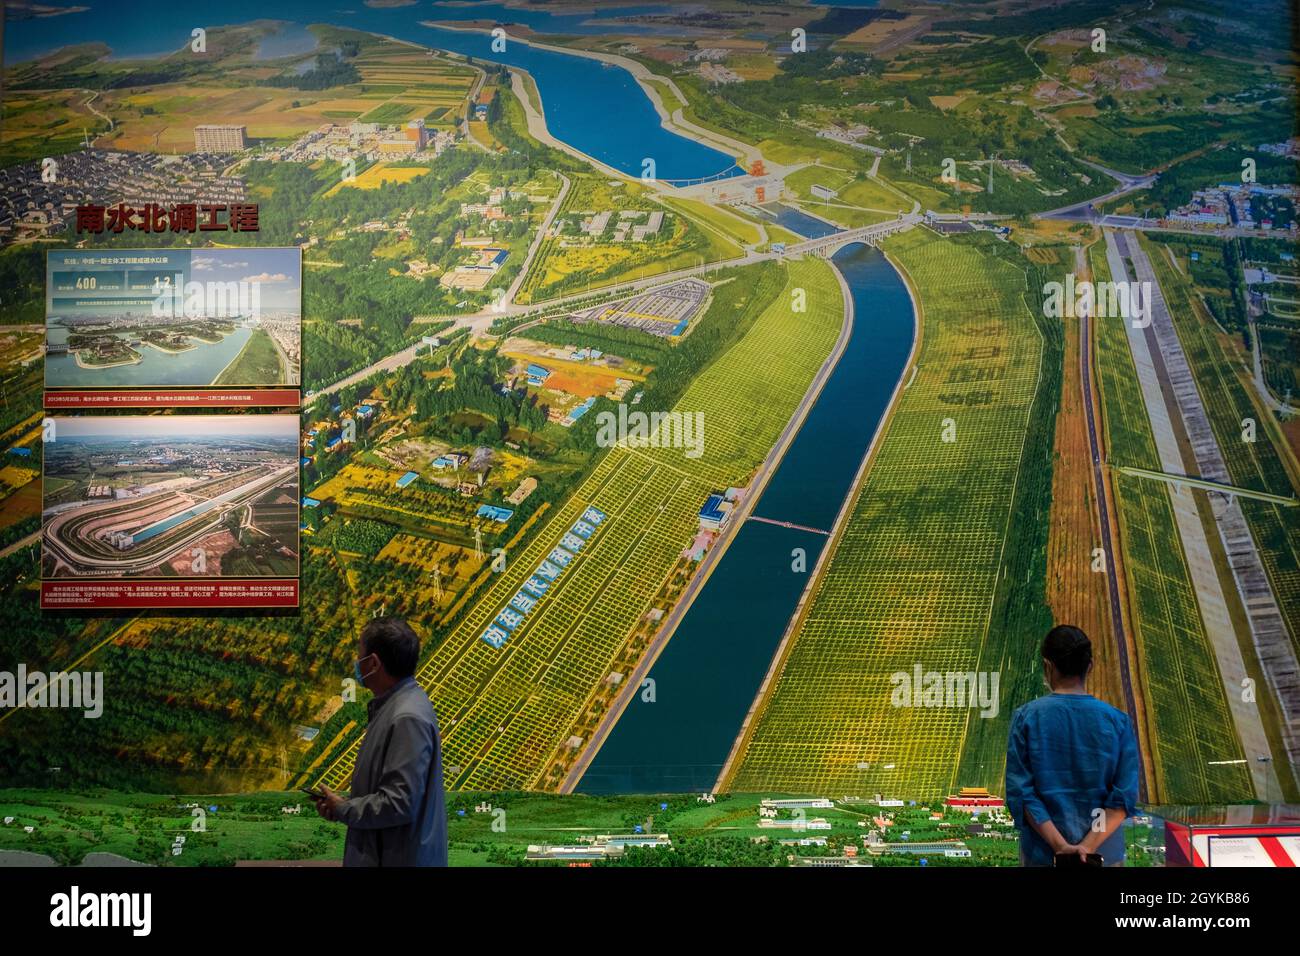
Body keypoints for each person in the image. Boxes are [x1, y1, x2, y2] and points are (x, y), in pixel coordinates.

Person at [312, 618, 448, 866]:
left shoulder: (406, 718)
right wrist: (345, 806)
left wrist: (345, 810)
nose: (356, 664)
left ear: (373, 663)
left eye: (359, 657)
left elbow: (399, 803)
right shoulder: (394, 706)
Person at [1005, 624, 1140, 867]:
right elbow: (1122, 799)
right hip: (1104, 857)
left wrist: (1061, 848)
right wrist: (1087, 848)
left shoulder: (1026, 718)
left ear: (1048, 666)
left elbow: (1023, 795)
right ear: (1090, 666)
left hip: (1042, 857)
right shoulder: (1118, 722)